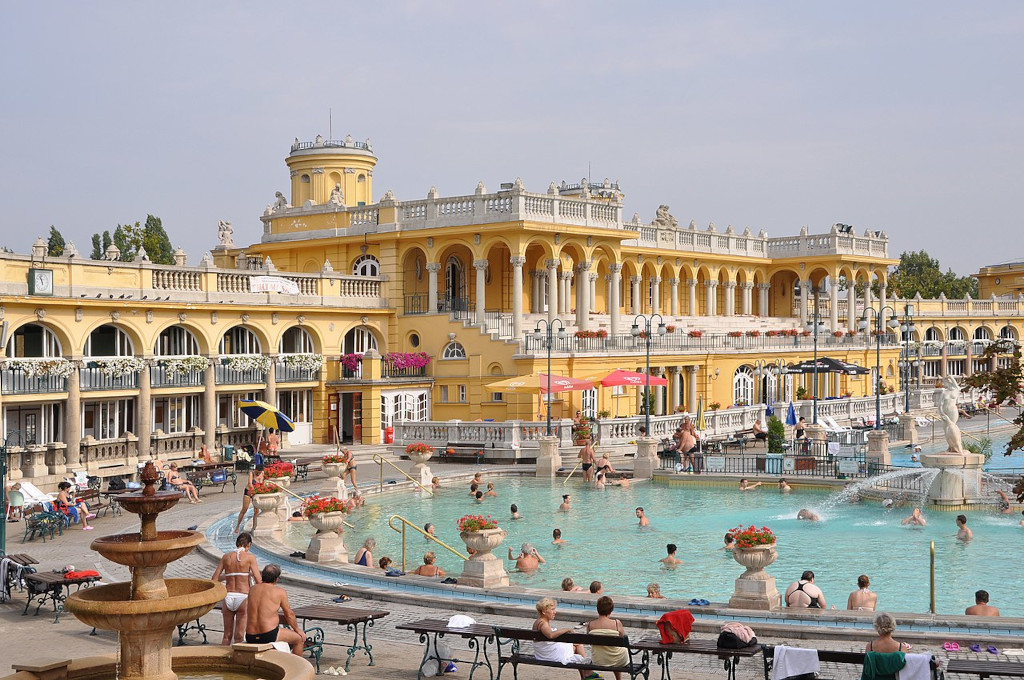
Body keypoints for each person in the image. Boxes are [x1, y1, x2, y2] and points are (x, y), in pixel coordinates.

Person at [212, 532, 261, 645]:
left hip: (228, 596)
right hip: (243, 597)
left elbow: (214, 578)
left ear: (237, 543)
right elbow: (259, 581)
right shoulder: (250, 558)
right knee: (239, 637)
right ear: (248, 545)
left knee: (226, 637)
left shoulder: (226, 557)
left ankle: (221, 661)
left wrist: (230, 575)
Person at [244, 564, 304, 655]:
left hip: (250, 635)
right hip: (268, 634)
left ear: (262, 575)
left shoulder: (252, 589)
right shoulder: (279, 592)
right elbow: (289, 614)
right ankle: (296, 667)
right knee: (299, 640)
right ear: (276, 579)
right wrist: (297, 630)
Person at [531, 598, 588, 675]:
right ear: (544, 611)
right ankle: (587, 673)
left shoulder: (538, 621)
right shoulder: (543, 623)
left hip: (543, 653)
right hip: (549, 655)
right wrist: (567, 629)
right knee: (579, 645)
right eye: (552, 609)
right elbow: (551, 635)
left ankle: (585, 674)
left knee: (575, 646)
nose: (555, 612)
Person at [586, 596, 629, 680]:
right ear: (611, 610)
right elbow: (623, 641)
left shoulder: (590, 624)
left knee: (611, 651)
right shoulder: (616, 623)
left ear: (598, 609)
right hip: (617, 660)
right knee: (617, 651)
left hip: (598, 659)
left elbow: (591, 643)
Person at [234, 464, 266, 533]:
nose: (258, 473)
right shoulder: (251, 473)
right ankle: (237, 526)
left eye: (259, 472)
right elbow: (250, 484)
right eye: (257, 472)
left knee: (256, 511)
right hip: (249, 492)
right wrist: (256, 491)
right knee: (244, 509)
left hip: (256, 492)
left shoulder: (263, 474)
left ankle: (254, 527)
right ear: (255, 470)